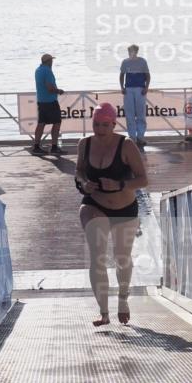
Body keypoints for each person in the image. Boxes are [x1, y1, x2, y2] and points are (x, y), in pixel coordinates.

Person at [75, 102, 148, 326]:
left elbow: (143, 179)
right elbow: (79, 171)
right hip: (94, 204)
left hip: (125, 208)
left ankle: (123, 301)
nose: (99, 130)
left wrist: (118, 184)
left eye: (105, 125)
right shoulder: (84, 144)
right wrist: (84, 184)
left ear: (113, 124)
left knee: (121, 258)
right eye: (96, 124)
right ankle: (103, 312)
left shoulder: (126, 145)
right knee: (97, 256)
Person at [33, 53, 65, 155]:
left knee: (41, 124)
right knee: (57, 123)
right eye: (51, 60)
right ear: (48, 62)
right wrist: (59, 91)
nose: (52, 62)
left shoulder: (38, 70)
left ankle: (36, 146)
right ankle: (54, 147)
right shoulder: (47, 71)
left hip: (41, 101)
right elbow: (50, 88)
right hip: (50, 102)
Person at [119, 44, 151, 145]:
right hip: (128, 89)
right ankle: (132, 137)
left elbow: (148, 75)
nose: (131, 53)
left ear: (136, 51)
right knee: (130, 114)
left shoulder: (142, 61)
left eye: (132, 51)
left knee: (141, 114)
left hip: (140, 89)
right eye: (129, 51)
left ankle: (140, 137)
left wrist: (146, 87)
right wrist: (122, 87)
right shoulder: (125, 62)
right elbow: (121, 75)